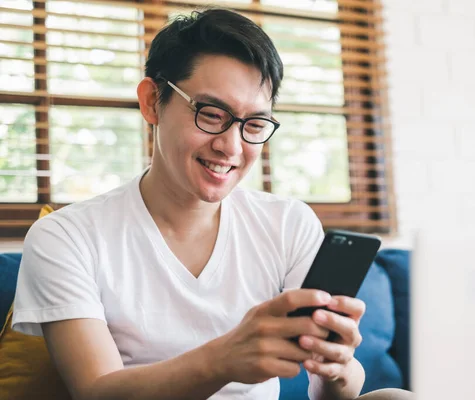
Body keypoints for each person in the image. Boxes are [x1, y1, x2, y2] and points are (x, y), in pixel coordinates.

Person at [12, 8, 411, 400]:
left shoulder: (288, 223)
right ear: (152, 101)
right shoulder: (66, 236)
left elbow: (327, 394)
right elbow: (97, 391)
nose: (231, 147)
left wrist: (337, 372)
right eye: (212, 113)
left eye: (254, 124)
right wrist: (224, 359)